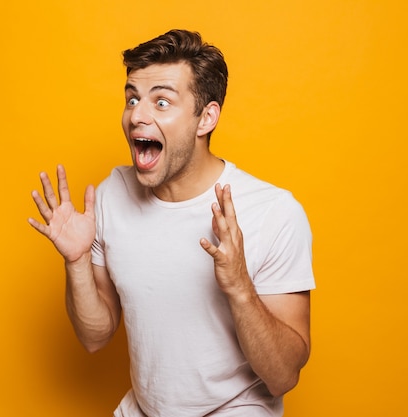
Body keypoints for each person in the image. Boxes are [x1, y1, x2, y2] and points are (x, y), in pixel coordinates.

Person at [29, 29, 315, 417]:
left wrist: (240, 288)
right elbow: (95, 337)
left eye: (161, 101)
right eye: (132, 98)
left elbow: (283, 377)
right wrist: (77, 262)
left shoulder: (273, 212)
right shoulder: (113, 194)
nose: (137, 116)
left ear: (206, 117)